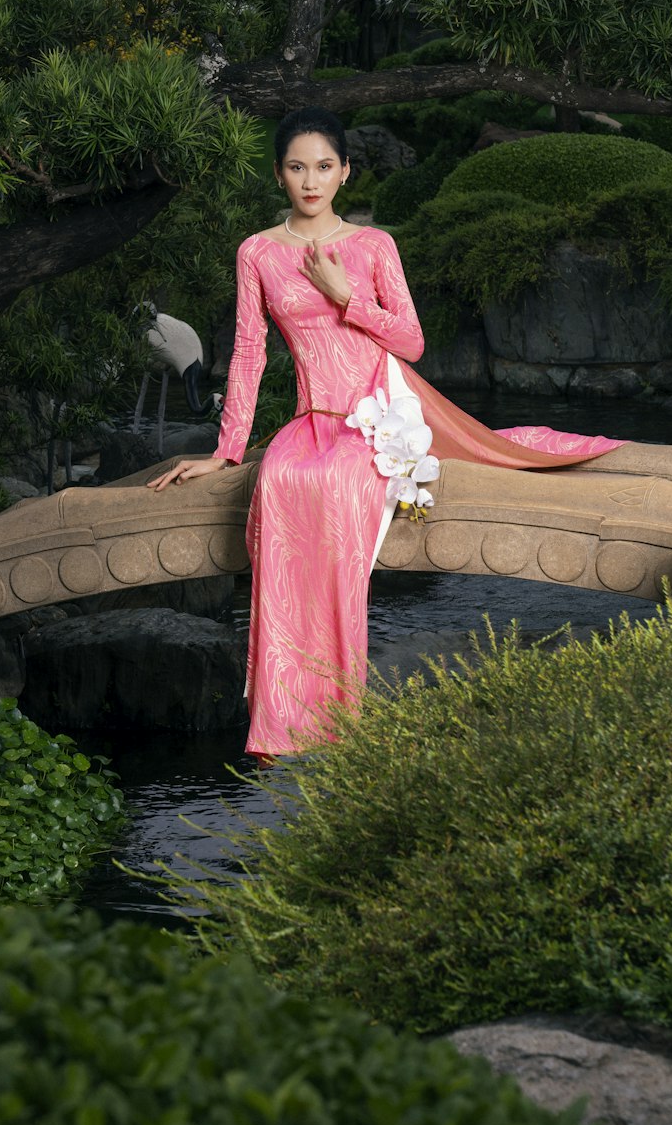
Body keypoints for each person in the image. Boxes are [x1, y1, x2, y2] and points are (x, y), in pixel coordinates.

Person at [148, 107, 622, 757]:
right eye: (295, 167)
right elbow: (251, 356)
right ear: (280, 174)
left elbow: (411, 340)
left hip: (383, 407)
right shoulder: (257, 252)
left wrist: (346, 294)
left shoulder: (373, 247)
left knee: (341, 481)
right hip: (313, 417)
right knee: (283, 479)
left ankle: (336, 708)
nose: (310, 181)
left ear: (344, 172)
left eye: (323, 167)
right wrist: (227, 451)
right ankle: (289, 710)